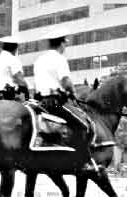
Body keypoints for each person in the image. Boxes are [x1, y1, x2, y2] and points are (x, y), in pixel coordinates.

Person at [33, 28, 96, 170]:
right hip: (55, 103)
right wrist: (72, 92)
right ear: (61, 44)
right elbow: (66, 81)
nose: (65, 47)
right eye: (65, 44)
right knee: (83, 126)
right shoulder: (59, 59)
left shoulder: (39, 60)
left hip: (40, 102)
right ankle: (82, 162)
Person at [0, 35, 29, 101]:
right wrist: (27, 93)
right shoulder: (13, 59)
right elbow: (20, 79)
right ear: (15, 48)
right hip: (7, 94)